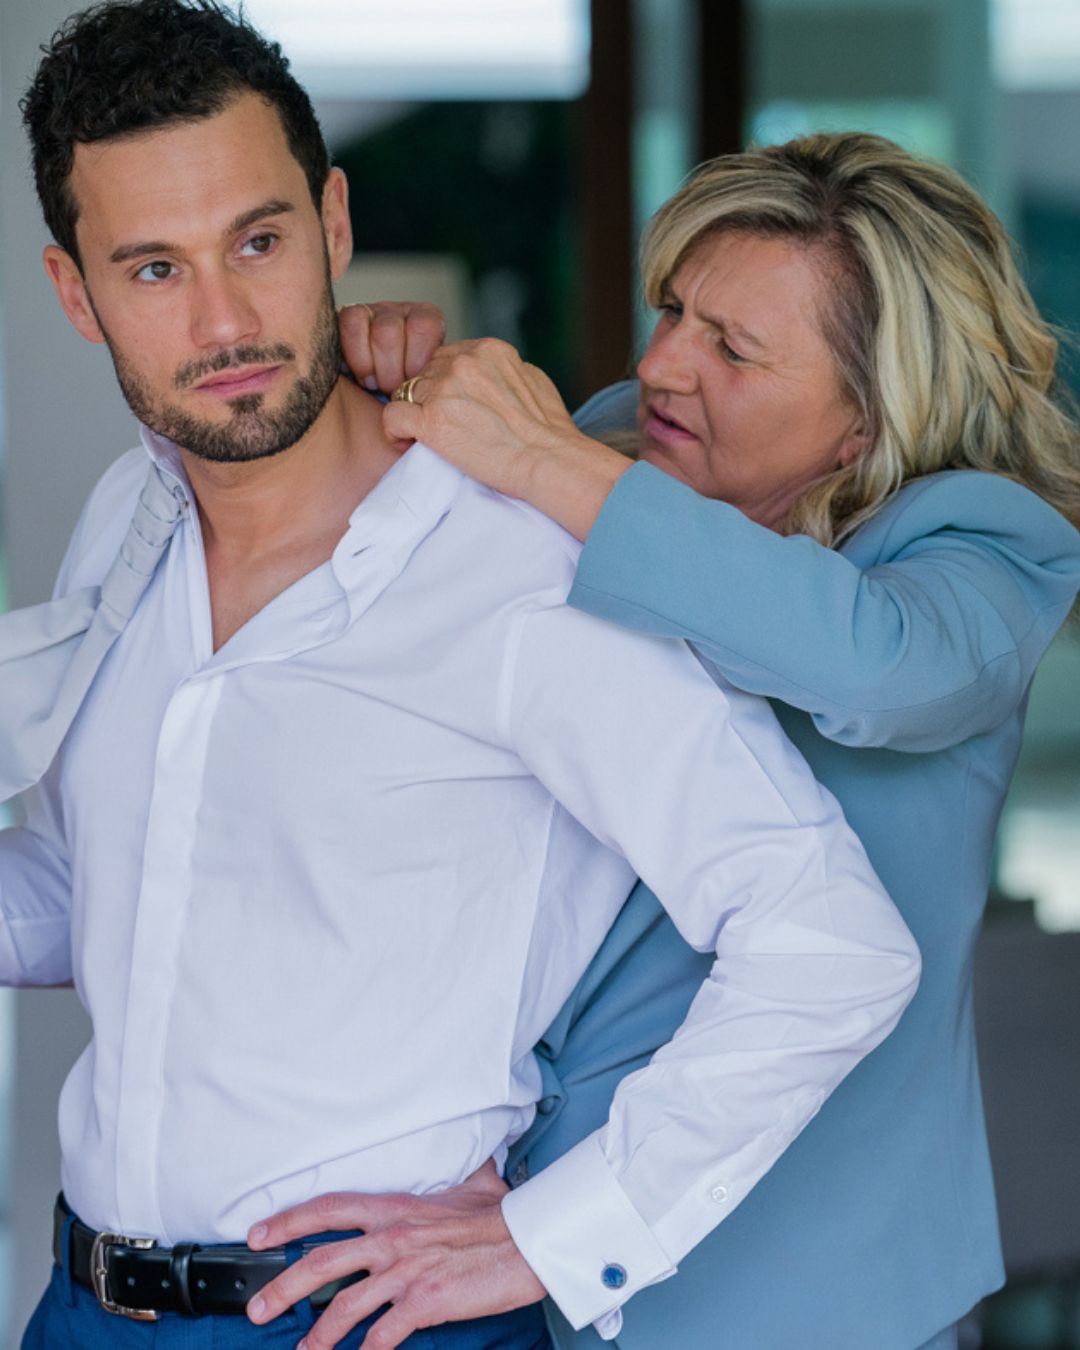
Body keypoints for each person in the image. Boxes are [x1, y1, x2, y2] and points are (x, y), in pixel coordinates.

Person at [1, 6, 920, 1349]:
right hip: (80, 1305)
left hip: (357, 1325)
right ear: (75, 292)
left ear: (333, 222)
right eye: (152, 269)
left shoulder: (523, 573)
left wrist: (561, 1235)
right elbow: (110, 881)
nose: (224, 318)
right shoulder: (122, 522)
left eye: (257, 241)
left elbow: (829, 936)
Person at [348, 133, 1080, 1350]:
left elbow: (869, 662)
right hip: (536, 1249)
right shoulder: (622, 449)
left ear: (869, 419)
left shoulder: (984, 552)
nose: (661, 365)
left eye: (732, 349)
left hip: (819, 1282)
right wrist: (376, 384)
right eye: (673, 312)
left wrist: (539, 458)